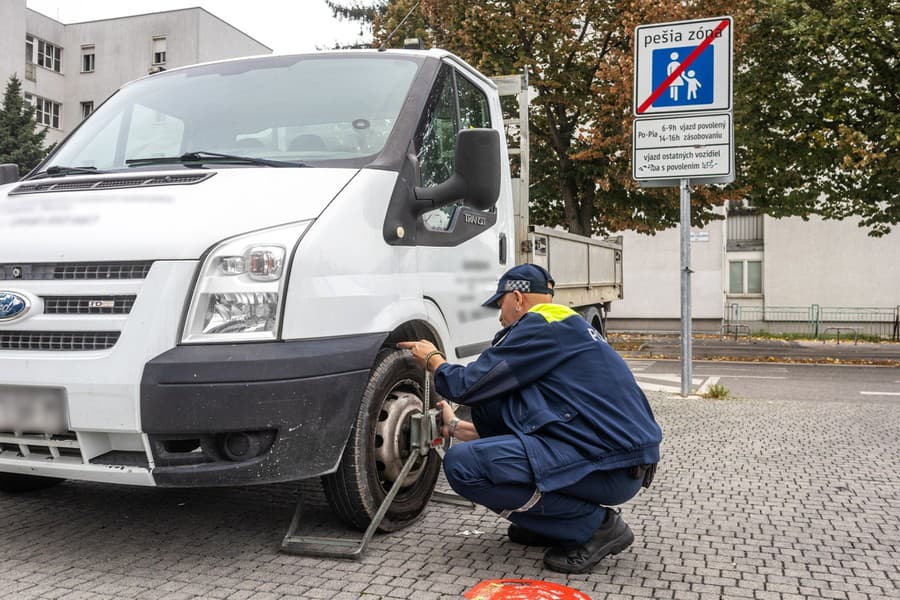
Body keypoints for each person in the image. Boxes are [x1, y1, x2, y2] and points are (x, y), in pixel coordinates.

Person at [398, 264, 662, 574]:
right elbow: (529, 412)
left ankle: (596, 527)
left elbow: (468, 385)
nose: (499, 315)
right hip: (617, 458)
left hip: (612, 468)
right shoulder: (566, 326)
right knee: (493, 406)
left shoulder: (539, 328)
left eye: (501, 304)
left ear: (518, 298)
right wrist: (458, 427)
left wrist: (433, 359)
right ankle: (554, 524)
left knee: (463, 466)